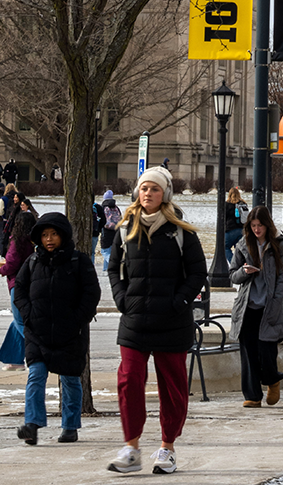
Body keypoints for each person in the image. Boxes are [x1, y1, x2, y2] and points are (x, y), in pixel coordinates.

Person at [106, 166, 207, 474]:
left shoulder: (181, 231)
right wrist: (122, 299)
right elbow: (113, 269)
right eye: (144, 188)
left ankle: (167, 447)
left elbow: (197, 273)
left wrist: (179, 302)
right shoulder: (125, 229)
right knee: (129, 381)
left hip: (172, 322)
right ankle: (132, 448)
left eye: (154, 189)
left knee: (173, 388)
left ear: (165, 194)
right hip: (135, 321)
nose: (147, 193)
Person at [13, 212, 100, 446]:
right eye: (44, 235)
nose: (49, 239)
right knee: (36, 375)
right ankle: (32, 424)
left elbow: (92, 293)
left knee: (70, 380)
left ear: (62, 236)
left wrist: (77, 319)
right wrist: (28, 315)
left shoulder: (78, 261)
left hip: (70, 333)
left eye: (53, 234)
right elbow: (18, 291)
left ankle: (70, 426)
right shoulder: (32, 262)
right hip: (38, 332)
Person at [229, 206, 283, 408]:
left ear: (267, 225)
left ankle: (273, 379)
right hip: (247, 306)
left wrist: (277, 298)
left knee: (267, 350)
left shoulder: (279, 245)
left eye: (260, 225)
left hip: (269, 306)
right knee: (248, 353)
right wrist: (244, 272)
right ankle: (253, 395)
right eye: (253, 226)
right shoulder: (243, 244)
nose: (257, 229)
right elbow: (233, 275)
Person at [0, 211, 37, 371]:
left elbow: (12, 263)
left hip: (17, 284)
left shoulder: (17, 241)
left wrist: (3, 269)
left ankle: (39, 349)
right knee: (16, 322)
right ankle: (14, 358)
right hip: (31, 283)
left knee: (20, 321)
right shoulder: (33, 242)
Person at [224, 187, 248, 263]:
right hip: (242, 229)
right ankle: (241, 264)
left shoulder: (227, 204)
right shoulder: (243, 204)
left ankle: (233, 263)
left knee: (225, 247)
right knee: (240, 249)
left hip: (230, 230)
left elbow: (224, 218)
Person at [101, 190, 122, 272]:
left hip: (106, 230)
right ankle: (105, 268)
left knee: (104, 250)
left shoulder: (104, 207)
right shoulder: (116, 207)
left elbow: (102, 219)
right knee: (110, 248)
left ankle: (113, 264)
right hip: (116, 230)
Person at [0, 184, 16, 257]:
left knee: (4, 239)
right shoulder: (17, 198)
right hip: (15, 221)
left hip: (5, 221)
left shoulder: (3, 199)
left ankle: (4, 255)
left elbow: (0, 211)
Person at [91, 199, 106, 263]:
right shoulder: (98, 207)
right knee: (92, 252)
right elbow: (104, 221)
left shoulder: (82, 206)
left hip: (82, 234)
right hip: (95, 233)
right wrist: (98, 229)